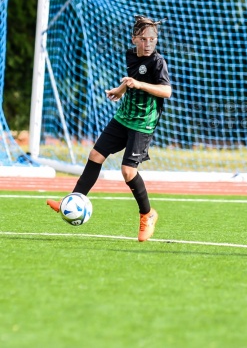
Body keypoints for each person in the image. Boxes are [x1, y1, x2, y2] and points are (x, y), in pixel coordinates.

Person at [47, 15, 172, 242]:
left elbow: (166, 91)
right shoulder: (131, 56)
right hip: (123, 117)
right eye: (143, 39)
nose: (148, 44)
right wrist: (121, 89)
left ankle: (147, 214)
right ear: (134, 39)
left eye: (152, 39)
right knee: (95, 155)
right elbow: (131, 80)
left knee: (128, 171)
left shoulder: (157, 62)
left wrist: (139, 84)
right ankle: (73, 200)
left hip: (142, 123)